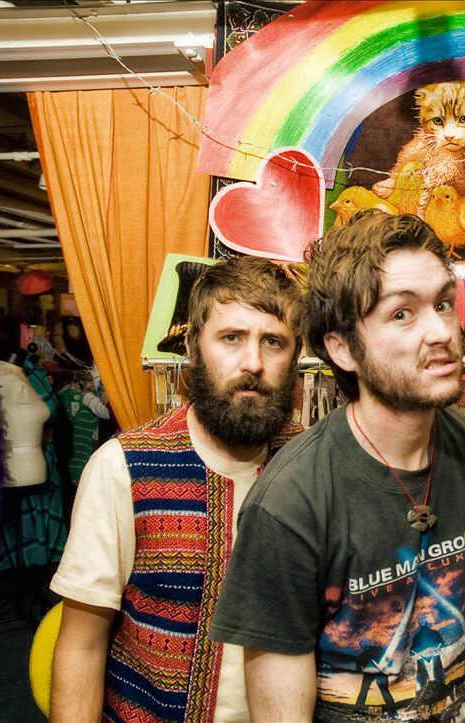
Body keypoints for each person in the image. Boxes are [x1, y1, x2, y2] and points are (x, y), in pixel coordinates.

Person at [210, 210, 465, 722]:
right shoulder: (289, 502)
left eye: (442, 304)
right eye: (402, 314)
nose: (441, 331)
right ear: (343, 348)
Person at [49, 256, 301, 722]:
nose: (253, 362)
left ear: (295, 356)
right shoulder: (124, 468)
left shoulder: (311, 466)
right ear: (192, 347)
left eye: (273, 341)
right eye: (231, 338)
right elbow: (82, 645)